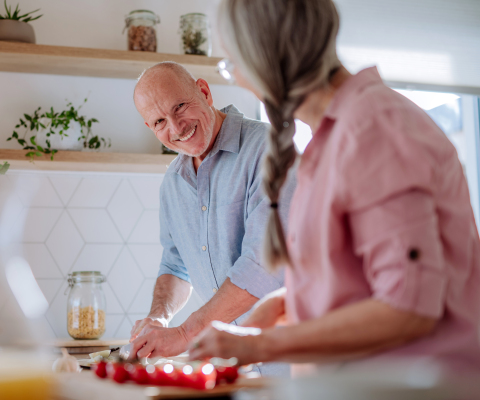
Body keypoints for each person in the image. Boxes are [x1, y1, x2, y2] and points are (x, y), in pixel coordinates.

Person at [189, 0, 480, 377]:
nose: (240, 80)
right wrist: (284, 304)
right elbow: (358, 282)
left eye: (232, 66)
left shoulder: (374, 129)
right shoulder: (332, 140)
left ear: (265, 59)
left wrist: (257, 346)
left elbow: (408, 307)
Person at [128, 61, 296, 376]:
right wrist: (159, 317)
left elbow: (264, 266)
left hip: (289, 358)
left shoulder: (269, 149)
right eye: (160, 121)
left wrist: (185, 333)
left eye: (180, 107)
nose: (176, 128)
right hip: (230, 365)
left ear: (204, 92)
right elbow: (175, 266)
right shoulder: (172, 183)